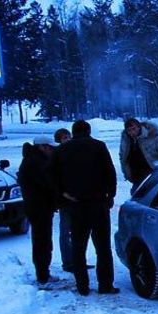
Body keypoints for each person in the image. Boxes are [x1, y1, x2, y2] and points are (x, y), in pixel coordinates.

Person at [54, 120, 118, 296]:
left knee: (78, 247)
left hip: (76, 204)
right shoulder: (98, 146)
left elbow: (52, 176)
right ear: (88, 131)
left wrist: (63, 195)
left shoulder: (61, 150)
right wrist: (110, 195)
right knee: (103, 247)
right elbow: (109, 171)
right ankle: (105, 285)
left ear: (73, 133)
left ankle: (82, 287)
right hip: (98, 203)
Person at [18, 136, 58, 285]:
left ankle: (43, 273)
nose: (52, 151)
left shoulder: (32, 159)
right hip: (39, 207)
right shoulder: (37, 162)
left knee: (42, 240)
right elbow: (48, 184)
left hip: (37, 206)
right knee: (42, 241)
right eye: (50, 148)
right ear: (42, 147)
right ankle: (43, 275)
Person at [119, 118, 158, 192]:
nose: (132, 132)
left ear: (139, 127)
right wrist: (126, 173)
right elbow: (122, 157)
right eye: (129, 130)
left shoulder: (152, 137)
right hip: (136, 178)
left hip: (153, 176)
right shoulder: (126, 141)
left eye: (134, 129)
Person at [53, 128, 77, 272]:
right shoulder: (57, 155)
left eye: (68, 136)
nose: (67, 139)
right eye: (63, 137)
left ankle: (77, 259)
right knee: (65, 232)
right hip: (65, 200)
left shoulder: (75, 153)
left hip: (76, 199)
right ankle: (68, 262)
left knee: (76, 232)